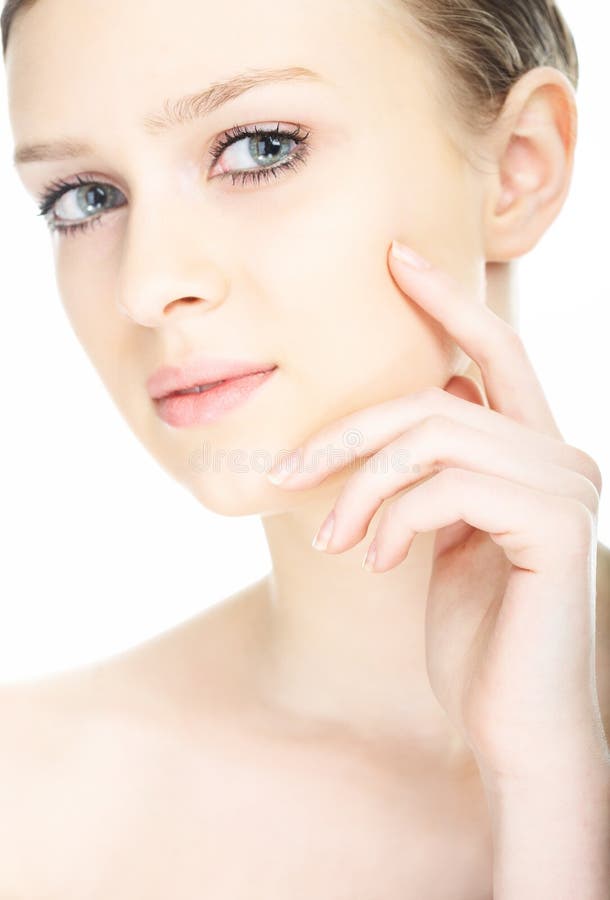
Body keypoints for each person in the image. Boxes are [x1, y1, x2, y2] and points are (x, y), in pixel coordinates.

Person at [1, 0, 608, 895]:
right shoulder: (30, 801)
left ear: (519, 169)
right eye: (86, 198)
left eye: (259, 148)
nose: (147, 284)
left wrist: (551, 789)